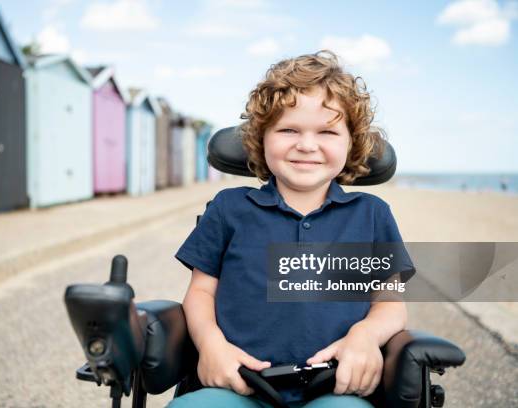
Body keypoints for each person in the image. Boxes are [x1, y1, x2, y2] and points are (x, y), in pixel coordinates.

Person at [168, 50, 412, 408]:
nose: (306, 145)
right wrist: (211, 346)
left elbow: (391, 304)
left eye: (327, 131)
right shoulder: (229, 209)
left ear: (352, 142)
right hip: (237, 384)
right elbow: (201, 294)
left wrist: (365, 336)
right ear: (262, 137)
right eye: (288, 129)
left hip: (335, 388)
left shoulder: (371, 216)